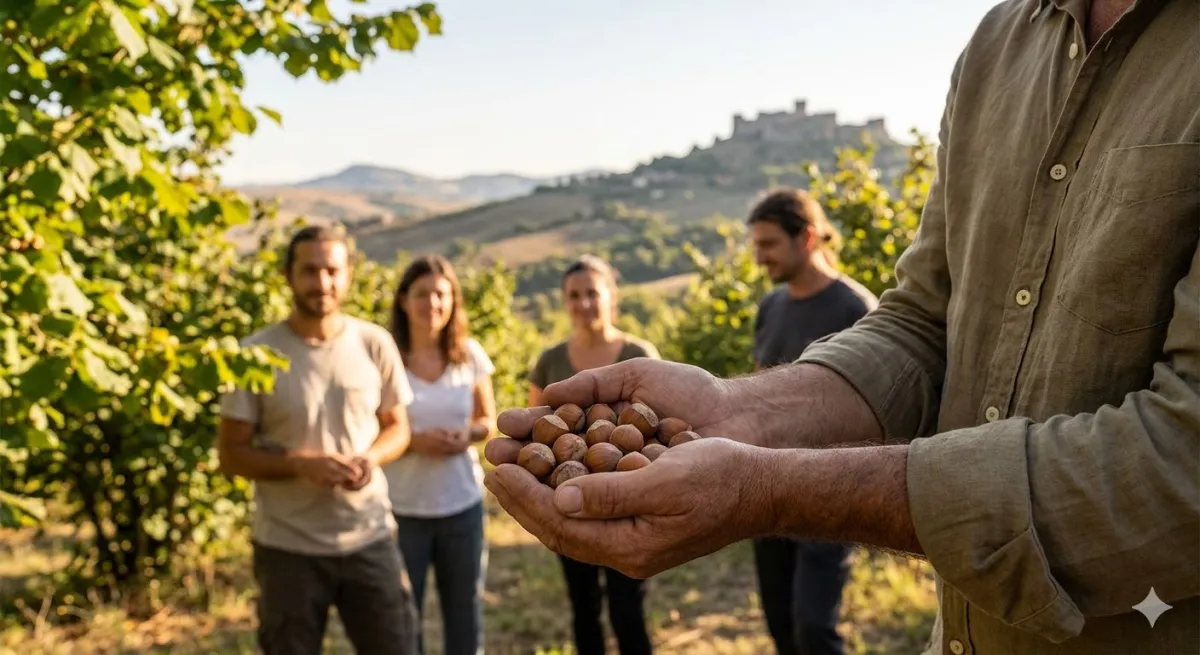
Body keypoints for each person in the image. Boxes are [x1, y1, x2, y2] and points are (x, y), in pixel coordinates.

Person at [481, 1, 1200, 654]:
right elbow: (924, 322)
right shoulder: (1000, 44)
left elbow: (1182, 464)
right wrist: (738, 411)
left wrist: (765, 488)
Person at [217, 225, 419, 655]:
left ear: (348, 275)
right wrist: (297, 464)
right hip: (287, 547)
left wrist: (370, 459)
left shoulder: (374, 343)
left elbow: (398, 428)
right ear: (288, 275)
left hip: (369, 536)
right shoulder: (254, 354)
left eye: (332, 271)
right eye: (310, 271)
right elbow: (231, 454)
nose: (322, 283)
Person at [746, 188, 878, 655]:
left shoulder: (856, 310)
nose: (759, 257)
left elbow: (877, 404)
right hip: (765, 485)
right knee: (781, 624)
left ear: (805, 238)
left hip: (827, 488)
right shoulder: (770, 308)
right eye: (755, 245)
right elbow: (761, 390)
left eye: (768, 245)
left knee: (813, 629)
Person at [528, 254, 660, 655]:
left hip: (628, 502)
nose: (583, 304)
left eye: (592, 293)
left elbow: (658, 428)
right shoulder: (550, 360)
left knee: (627, 609)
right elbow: (537, 427)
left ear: (611, 296)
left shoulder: (639, 353)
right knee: (584, 608)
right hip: (571, 502)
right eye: (574, 295)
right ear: (564, 301)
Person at [383, 254, 497, 655]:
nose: (432, 304)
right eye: (422, 294)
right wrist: (413, 441)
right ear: (403, 300)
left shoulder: (469, 354)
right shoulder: (386, 358)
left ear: (453, 301)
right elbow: (369, 427)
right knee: (401, 617)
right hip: (401, 509)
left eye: (441, 294)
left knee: (465, 612)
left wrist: (466, 433)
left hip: (461, 506)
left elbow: (489, 420)